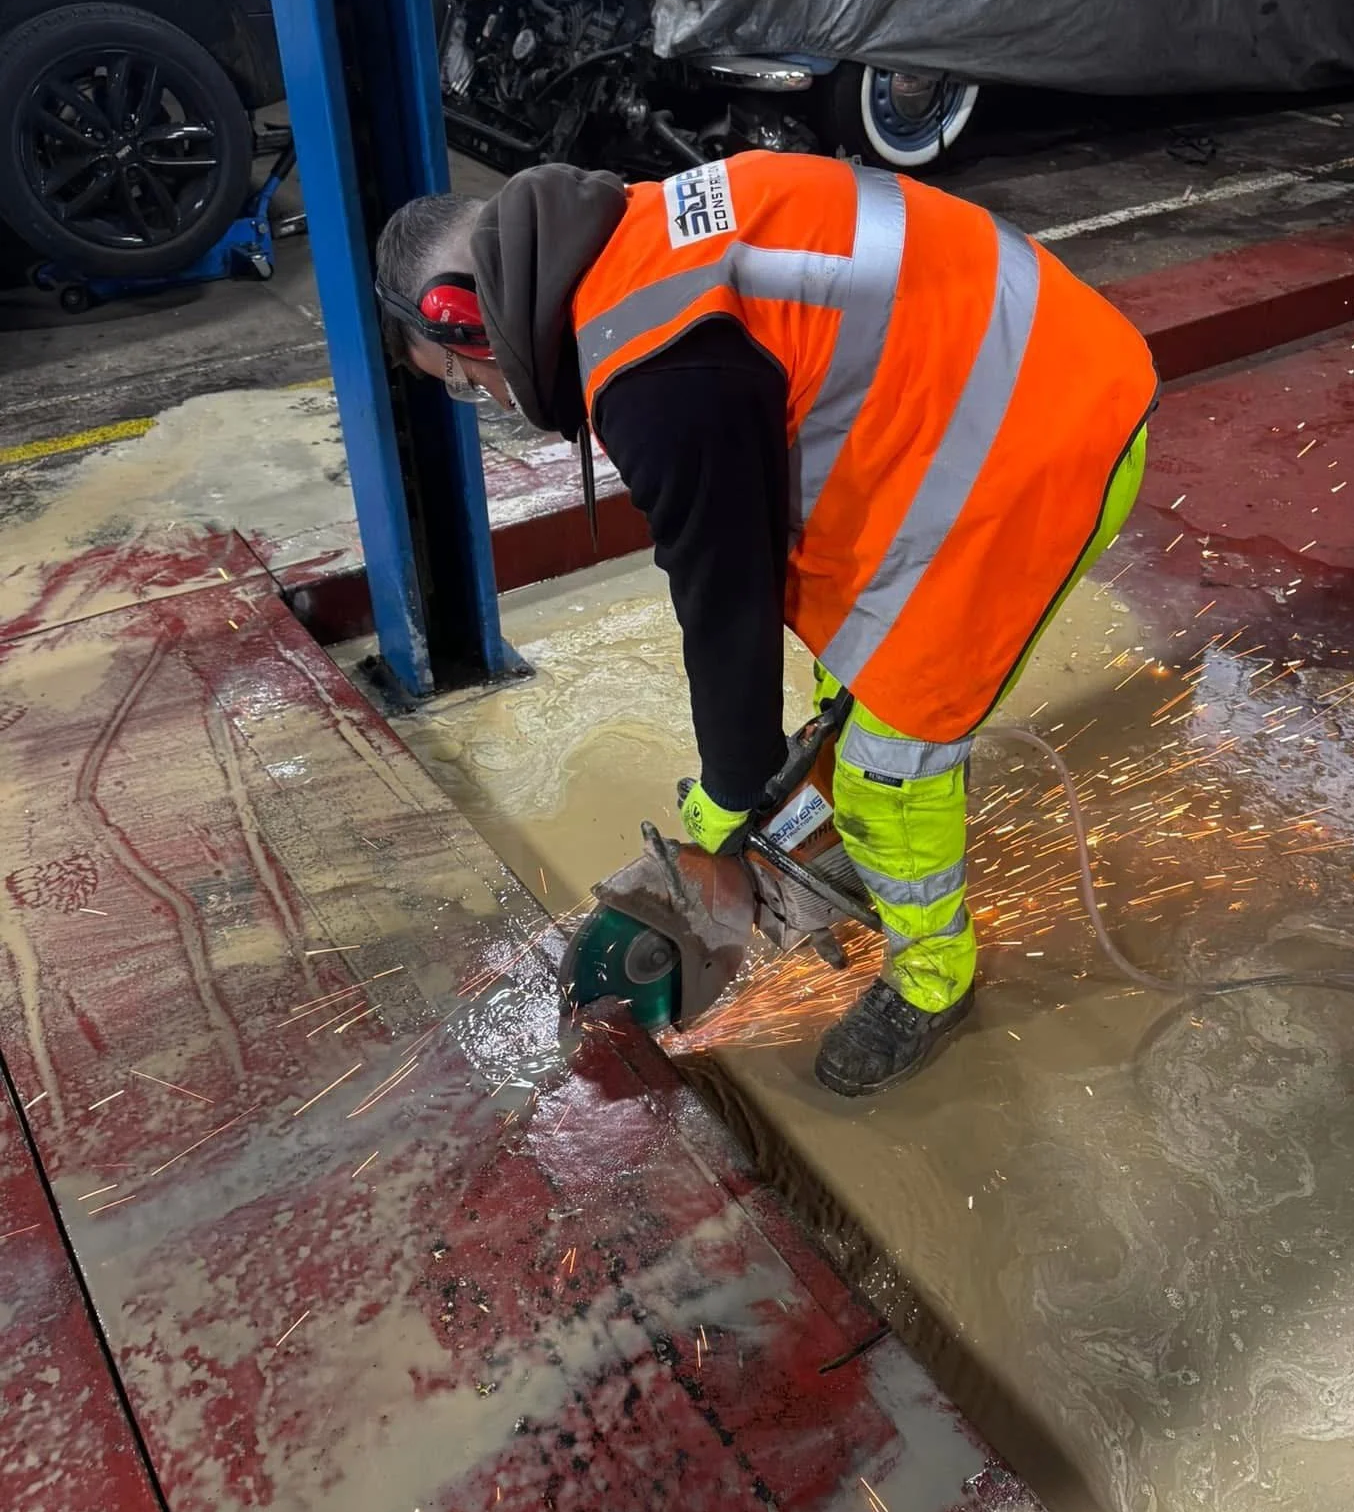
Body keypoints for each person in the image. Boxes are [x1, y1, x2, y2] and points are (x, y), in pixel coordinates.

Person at [374, 151, 1156, 1096]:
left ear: (467, 322)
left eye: (461, 381)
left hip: (1042, 427)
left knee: (889, 764)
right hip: (995, 367)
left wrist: (727, 801)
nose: (484, 400)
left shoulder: (652, 370)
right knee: (849, 668)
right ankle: (850, 848)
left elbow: (724, 597)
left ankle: (932, 979)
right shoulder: (619, 236)